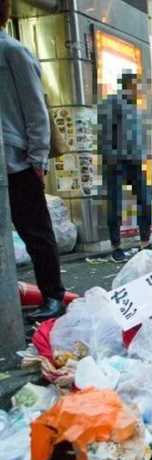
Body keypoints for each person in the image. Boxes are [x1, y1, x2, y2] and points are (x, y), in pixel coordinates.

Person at [0, 0, 66, 321]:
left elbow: (36, 109)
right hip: (12, 160)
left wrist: (37, 158)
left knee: (36, 233)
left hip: (18, 162)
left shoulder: (13, 52)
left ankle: (53, 296)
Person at [98, 72, 152, 262]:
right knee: (116, 204)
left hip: (136, 161)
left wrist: (145, 155)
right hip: (117, 162)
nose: (141, 90)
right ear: (129, 85)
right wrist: (111, 157)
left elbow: (141, 135)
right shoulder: (112, 103)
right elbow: (105, 131)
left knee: (145, 200)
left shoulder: (137, 108)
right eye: (138, 85)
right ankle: (116, 246)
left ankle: (145, 243)